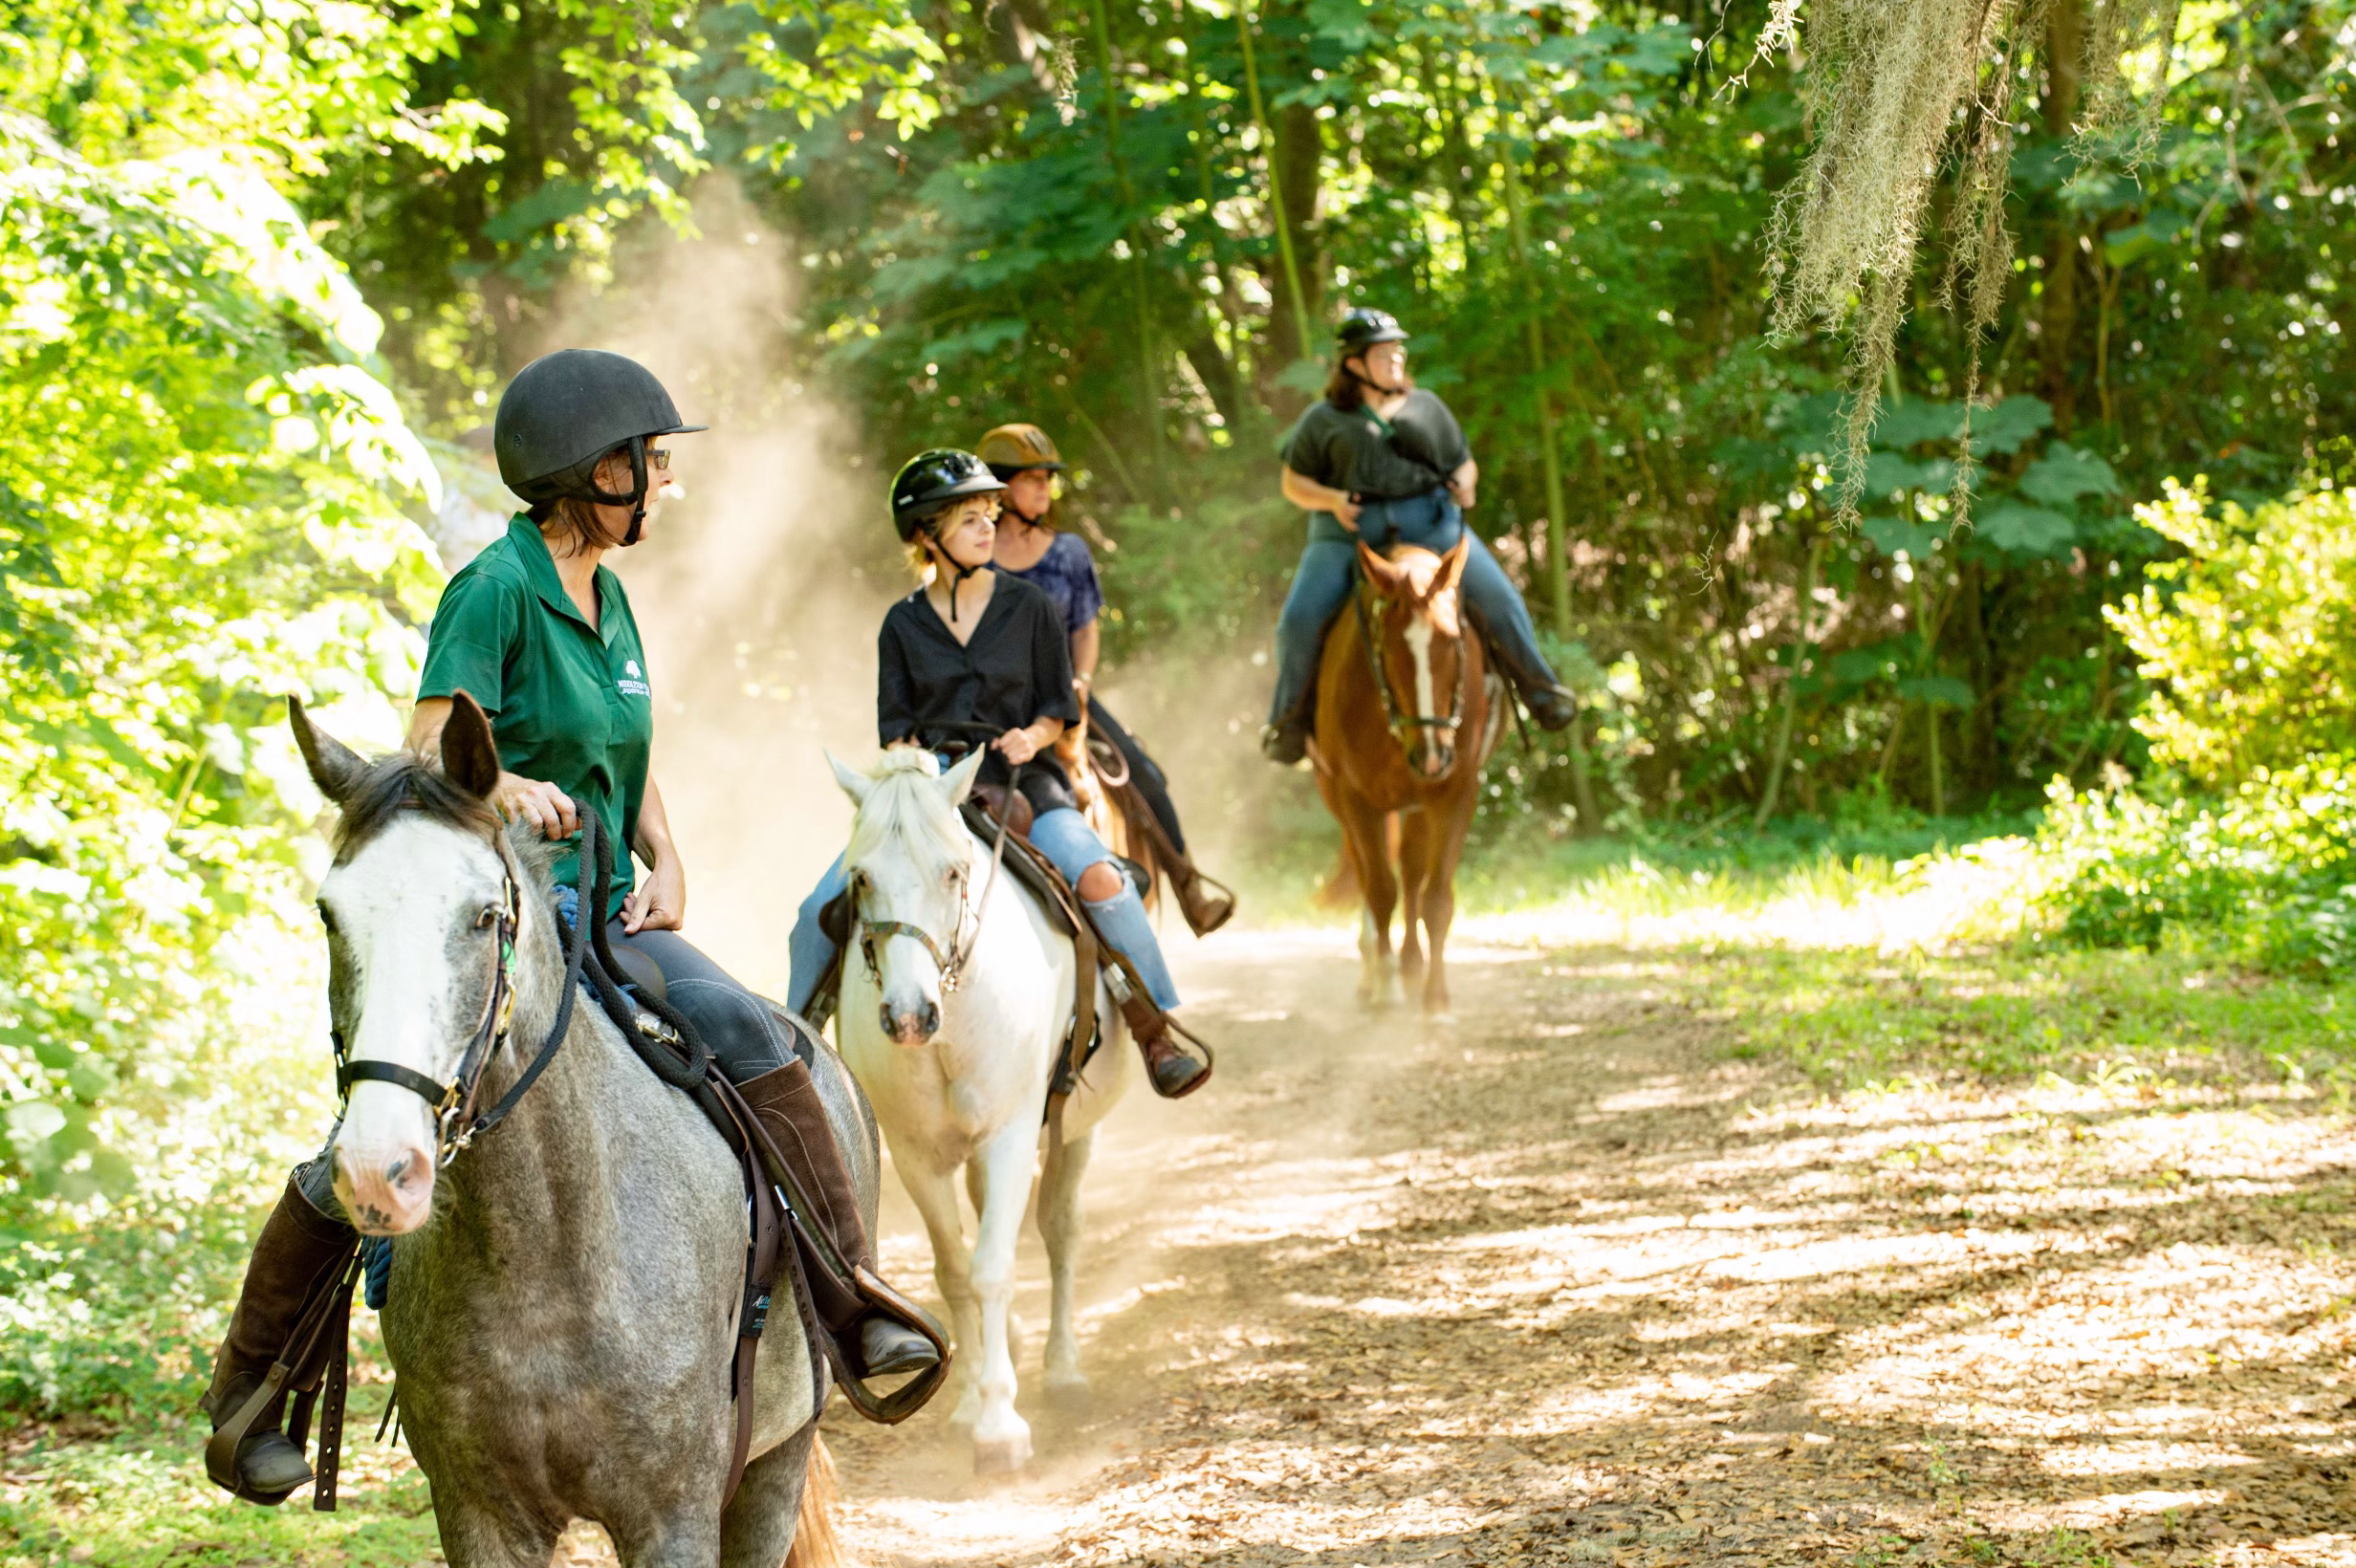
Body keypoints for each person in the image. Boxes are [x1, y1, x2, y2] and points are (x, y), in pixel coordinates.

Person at [200, 349, 937, 1504]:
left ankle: (852, 1303)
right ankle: (251, 1397)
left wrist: (670, 850)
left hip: (602, 895)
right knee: (382, 1122)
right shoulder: (493, 589)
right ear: (593, 472)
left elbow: (624, 755)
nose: (662, 483)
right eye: (649, 463)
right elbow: (437, 753)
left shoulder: (612, 593)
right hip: (501, 907)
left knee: (764, 1044)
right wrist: (507, 794)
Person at [785, 449, 1212, 1100]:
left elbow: (1059, 710)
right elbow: (896, 728)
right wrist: (917, 772)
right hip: (931, 794)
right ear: (929, 536)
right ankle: (801, 1053)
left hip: (1027, 783)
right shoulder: (902, 623)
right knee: (819, 908)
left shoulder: (1033, 607)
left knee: (1102, 879)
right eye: (970, 520)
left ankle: (1154, 1029)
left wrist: (1032, 735)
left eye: (990, 514)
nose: (990, 528)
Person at [1261, 307, 1579, 764]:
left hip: (1434, 528)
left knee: (1501, 599)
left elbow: (1463, 462)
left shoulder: (1427, 407)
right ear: (1354, 364)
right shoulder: (1322, 419)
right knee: (1298, 620)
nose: (1396, 358)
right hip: (1348, 539)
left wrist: (1466, 482)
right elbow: (1294, 483)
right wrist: (1330, 500)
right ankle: (1288, 723)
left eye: (1397, 350)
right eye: (1383, 352)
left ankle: (1543, 693)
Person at [977, 423, 1234, 936]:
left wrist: (1083, 681)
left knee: (1141, 772)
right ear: (1002, 489)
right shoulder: (973, 555)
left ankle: (1189, 888)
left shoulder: (1068, 552)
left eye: (1048, 480)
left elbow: (1086, 630)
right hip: (991, 704)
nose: (1045, 490)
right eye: (1033, 480)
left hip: (1064, 695)